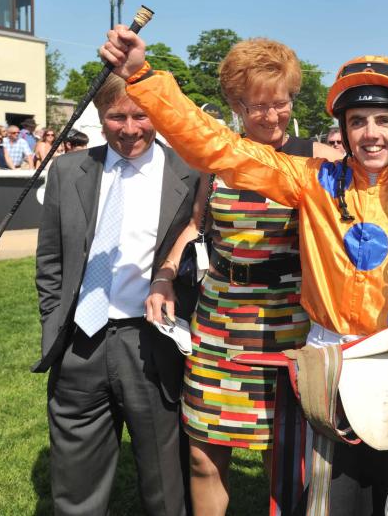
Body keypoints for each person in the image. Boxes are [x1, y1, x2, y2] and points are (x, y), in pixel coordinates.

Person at [99, 28, 388, 515]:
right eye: (357, 121)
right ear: (341, 129)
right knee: (332, 499)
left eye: (384, 120)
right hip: (327, 369)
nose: (371, 134)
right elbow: (218, 148)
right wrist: (141, 76)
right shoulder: (310, 181)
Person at [146, 38, 341, 515]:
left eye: (282, 103)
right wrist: (165, 277)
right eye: (259, 106)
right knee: (203, 456)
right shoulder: (216, 163)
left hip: (293, 324)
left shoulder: (320, 161)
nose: (273, 116)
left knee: (291, 455)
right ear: (236, 104)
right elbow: (197, 225)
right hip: (219, 321)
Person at [33, 73, 199, 515]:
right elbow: (50, 260)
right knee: (75, 482)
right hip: (80, 344)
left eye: (141, 115)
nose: (129, 129)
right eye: (116, 116)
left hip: (152, 344)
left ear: (157, 115)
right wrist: (55, 323)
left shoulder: (189, 174)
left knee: (165, 483)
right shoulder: (69, 170)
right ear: (99, 117)